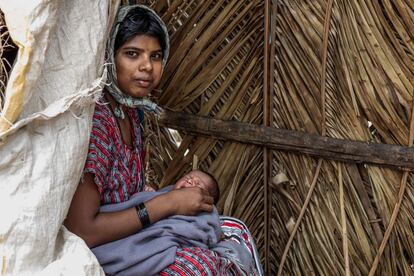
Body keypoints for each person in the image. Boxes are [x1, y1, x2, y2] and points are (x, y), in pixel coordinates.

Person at [64, 4, 255, 275]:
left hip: (131, 236)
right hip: (103, 249)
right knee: (200, 268)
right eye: (132, 54)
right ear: (109, 56)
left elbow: (128, 196)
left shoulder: (133, 115)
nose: (147, 67)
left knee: (232, 233)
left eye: (155, 56)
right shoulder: (98, 124)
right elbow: (83, 231)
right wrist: (168, 204)